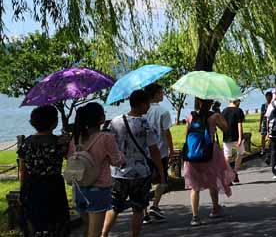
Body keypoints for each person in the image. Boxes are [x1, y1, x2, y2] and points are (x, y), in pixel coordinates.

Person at [103, 90, 166, 237]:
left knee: (114, 206)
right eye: (148, 104)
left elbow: (108, 146)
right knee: (138, 208)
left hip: (118, 172)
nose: (148, 107)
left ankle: (103, 234)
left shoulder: (115, 121)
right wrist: (161, 173)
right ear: (142, 104)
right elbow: (154, 150)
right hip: (140, 173)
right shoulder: (145, 124)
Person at [18, 105, 72, 236]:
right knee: (57, 223)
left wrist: (22, 191)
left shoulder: (26, 143)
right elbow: (70, 158)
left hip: (31, 186)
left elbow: (22, 170)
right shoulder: (60, 142)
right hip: (53, 186)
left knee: (36, 222)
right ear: (54, 123)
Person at [70, 103, 122, 237]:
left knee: (87, 228)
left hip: (78, 189)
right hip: (99, 189)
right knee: (95, 233)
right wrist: (122, 156)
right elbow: (117, 161)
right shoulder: (106, 138)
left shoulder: (75, 138)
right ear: (101, 118)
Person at [183, 98, 235, 226]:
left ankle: (195, 216)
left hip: (192, 154)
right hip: (209, 153)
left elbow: (186, 134)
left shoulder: (190, 116)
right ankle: (215, 208)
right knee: (213, 180)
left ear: (198, 102)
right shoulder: (214, 116)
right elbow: (226, 129)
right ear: (210, 103)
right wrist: (218, 114)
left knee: (194, 187)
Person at [143, 83, 173, 224]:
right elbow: (167, 132)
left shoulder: (142, 111)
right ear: (155, 94)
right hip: (160, 151)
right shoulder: (163, 112)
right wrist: (171, 150)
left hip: (144, 153)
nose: (163, 95)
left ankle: (144, 212)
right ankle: (155, 205)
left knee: (145, 182)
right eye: (161, 92)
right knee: (162, 180)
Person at [222, 99, 246, 184]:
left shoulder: (224, 111)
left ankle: (228, 175)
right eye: (239, 101)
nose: (239, 103)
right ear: (236, 101)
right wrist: (240, 137)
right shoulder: (238, 110)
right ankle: (234, 172)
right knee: (240, 153)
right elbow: (240, 125)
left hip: (226, 137)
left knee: (227, 157)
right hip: (237, 137)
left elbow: (222, 124)